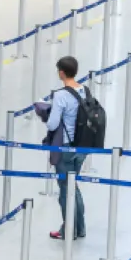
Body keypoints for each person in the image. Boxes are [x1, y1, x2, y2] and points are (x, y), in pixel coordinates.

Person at [42, 54, 88, 241]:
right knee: (73, 186)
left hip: (66, 147)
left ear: (61, 72)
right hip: (82, 146)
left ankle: (68, 229)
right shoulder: (84, 90)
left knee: (65, 189)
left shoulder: (61, 95)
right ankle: (80, 227)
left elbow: (52, 125)